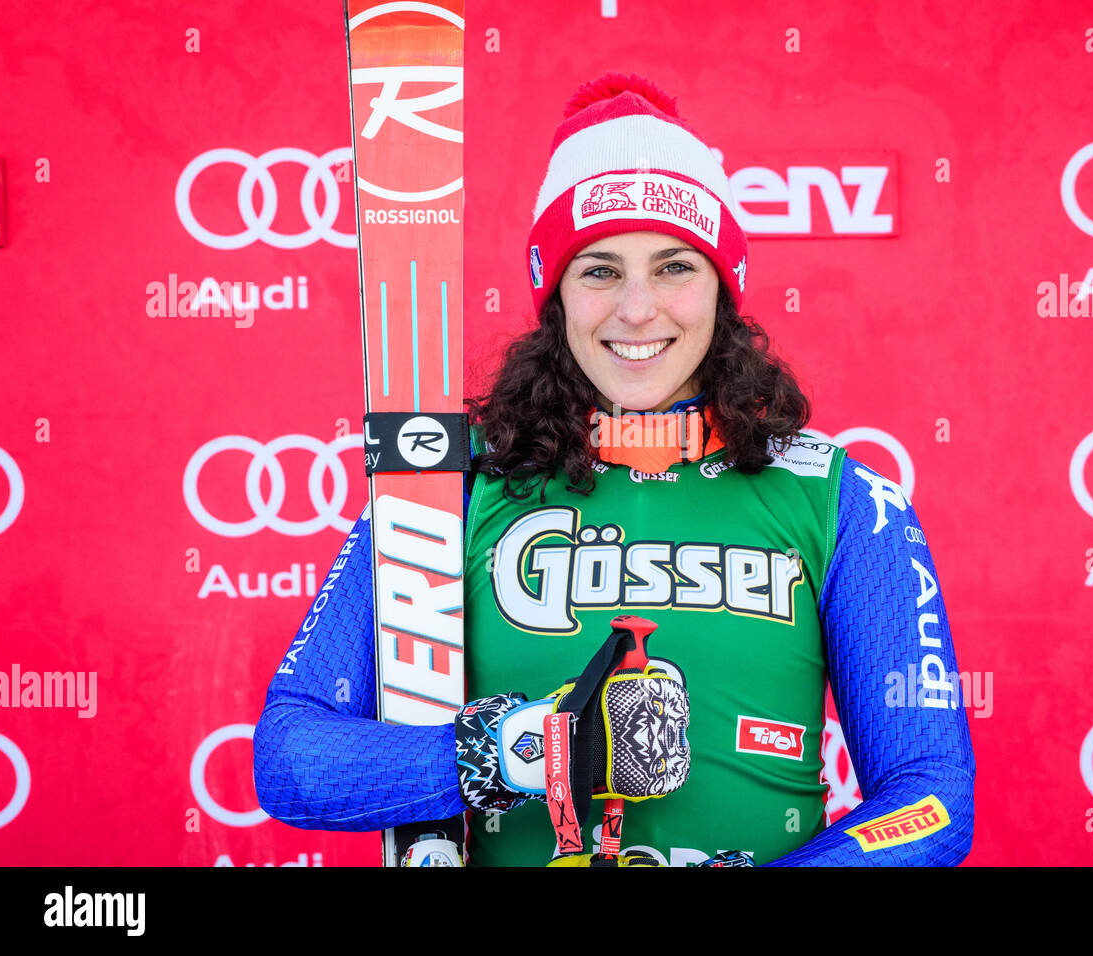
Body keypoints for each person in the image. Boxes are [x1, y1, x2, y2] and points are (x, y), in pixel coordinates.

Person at [253, 71, 975, 867]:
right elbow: (291, 757)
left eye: (675, 267)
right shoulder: (452, 490)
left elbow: (931, 799)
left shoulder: (841, 499)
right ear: (555, 294)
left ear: (724, 290)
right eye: (599, 269)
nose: (637, 309)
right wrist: (512, 751)